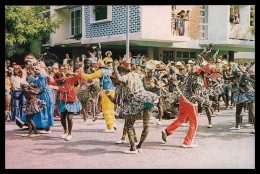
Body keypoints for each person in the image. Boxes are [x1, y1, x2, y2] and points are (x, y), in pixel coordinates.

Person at [161, 43, 215, 148]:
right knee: (194, 123)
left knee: (181, 118)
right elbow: (194, 96)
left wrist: (208, 50)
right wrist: (205, 102)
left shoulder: (193, 71)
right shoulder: (199, 80)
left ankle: (167, 131)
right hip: (190, 101)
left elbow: (200, 58)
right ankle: (187, 142)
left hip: (183, 97)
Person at [112, 60, 160, 154]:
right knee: (146, 125)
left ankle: (133, 148)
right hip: (147, 99)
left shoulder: (127, 75)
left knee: (129, 124)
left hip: (136, 100)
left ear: (122, 71)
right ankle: (140, 146)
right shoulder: (137, 75)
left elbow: (120, 79)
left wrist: (114, 68)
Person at [81, 60, 117, 133]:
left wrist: (79, 74)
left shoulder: (101, 71)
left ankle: (110, 127)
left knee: (106, 109)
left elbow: (89, 76)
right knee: (111, 109)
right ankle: (113, 124)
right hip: (112, 90)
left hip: (106, 91)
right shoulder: (109, 69)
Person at [20, 67, 55, 134]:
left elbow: (42, 75)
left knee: (47, 109)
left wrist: (37, 71)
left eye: (37, 69)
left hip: (47, 94)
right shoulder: (38, 79)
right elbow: (31, 79)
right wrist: (30, 72)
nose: (35, 71)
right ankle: (40, 126)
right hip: (41, 94)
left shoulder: (42, 76)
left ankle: (48, 127)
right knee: (39, 110)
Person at [54, 72, 82, 141]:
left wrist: (73, 73)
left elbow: (80, 75)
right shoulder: (57, 83)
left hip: (71, 101)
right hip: (63, 102)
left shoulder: (69, 79)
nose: (59, 83)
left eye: (60, 81)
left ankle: (70, 134)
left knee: (69, 118)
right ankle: (65, 132)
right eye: (57, 81)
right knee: (62, 117)